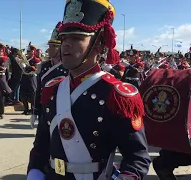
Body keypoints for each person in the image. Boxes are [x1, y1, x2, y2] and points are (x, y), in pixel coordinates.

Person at [27, 0, 151, 179]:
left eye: (77, 38)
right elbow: (40, 147)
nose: (66, 44)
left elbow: (137, 157)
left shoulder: (117, 96)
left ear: (99, 43)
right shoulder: (52, 89)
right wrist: (35, 171)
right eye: (64, 38)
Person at [30, 21, 68, 128]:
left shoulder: (69, 67)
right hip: (44, 112)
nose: (48, 49)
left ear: (61, 48)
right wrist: (35, 111)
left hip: (61, 113)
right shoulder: (44, 66)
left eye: (52, 46)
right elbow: (39, 90)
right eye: (49, 46)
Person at [20, 42, 41, 115]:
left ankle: (33, 109)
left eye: (30, 51)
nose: (28, 52)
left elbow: (36, 68)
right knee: (22, 94)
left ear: (33, 51)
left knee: (33, 94)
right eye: (28, 51)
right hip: (24, 77)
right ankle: (26, 109)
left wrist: (28, 67)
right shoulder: (25, 59)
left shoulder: (36, 60)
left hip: (32, 77)